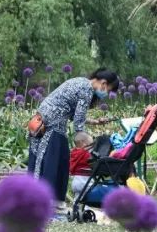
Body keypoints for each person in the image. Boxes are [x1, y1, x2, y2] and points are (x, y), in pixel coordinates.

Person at [28, 68, 120, 207]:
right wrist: (85, 139)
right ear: (103, 83)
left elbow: (74, 114)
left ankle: (55, 200)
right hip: (51, 124)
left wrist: (93, 122)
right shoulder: (87, 89)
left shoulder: (81, 82)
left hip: (47, 120)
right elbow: (78, 121)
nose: (105, 93)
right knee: (51, 162)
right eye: (108, 89)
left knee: (62, 159)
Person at [69, 131, 94, 199]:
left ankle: (75, 208)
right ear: (84, 143)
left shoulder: (74, 153)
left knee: (77, 198)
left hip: (75, 182)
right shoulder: (86, 154)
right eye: (90, 143)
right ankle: (86, 208)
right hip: (85, 181)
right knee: (88, 197)